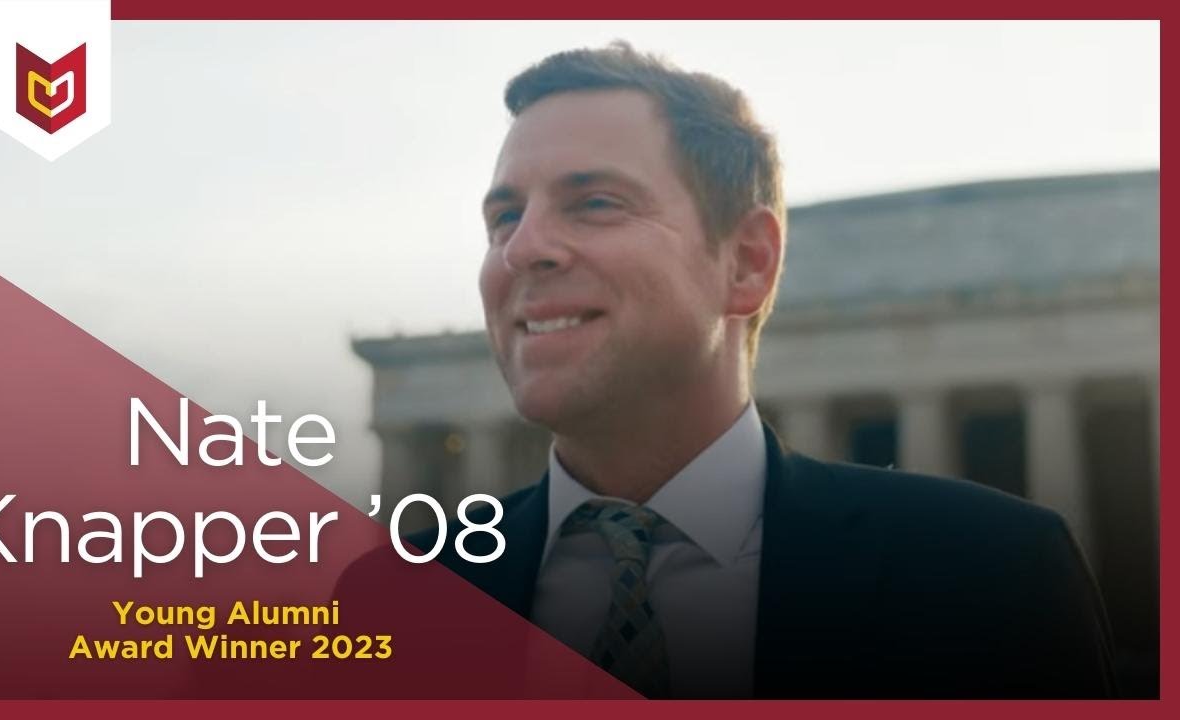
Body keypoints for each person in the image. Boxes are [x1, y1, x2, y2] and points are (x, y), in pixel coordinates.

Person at [399, 43, 1117, 699]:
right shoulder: (399, 593)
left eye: (594, 203)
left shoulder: (992, 574)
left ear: (745, 263)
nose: (523, 249)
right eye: (504, 218)